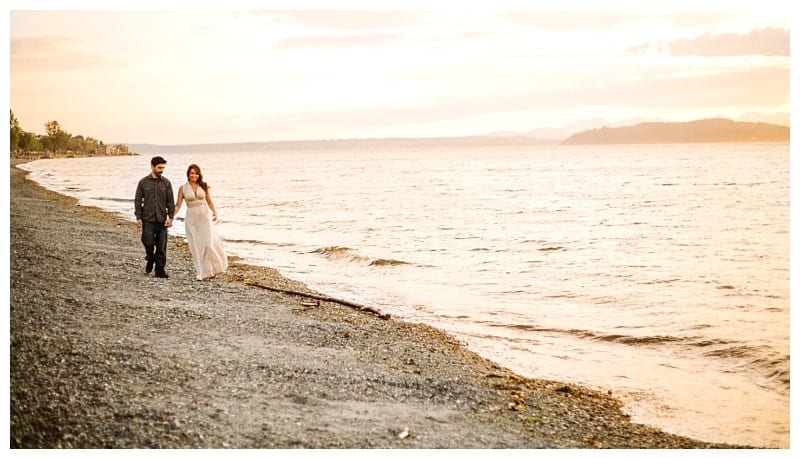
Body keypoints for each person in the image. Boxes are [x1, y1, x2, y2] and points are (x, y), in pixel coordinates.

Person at [174, 163, 228, 280]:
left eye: (196, 173)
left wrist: (215, 212)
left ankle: (215, 267)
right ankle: (201, 272)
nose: (194, 175)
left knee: (208, 244)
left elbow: (209, 200)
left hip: (205, 218)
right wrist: (171, 216)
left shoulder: (203, 186)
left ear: (199, 175)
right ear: (188, 174)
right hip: (192, 219)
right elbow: (178, 205)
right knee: (196, 245)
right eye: (192, 173)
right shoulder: (182, 188)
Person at [134, 156, 174, 278]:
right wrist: (139, 217)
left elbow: (170, 202)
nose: (161, 170)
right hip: (148, 219)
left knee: (161, 246)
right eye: (159, 167)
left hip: (162, 220)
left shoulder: (166, 183)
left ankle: (160, 270)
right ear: (152, 167)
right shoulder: (143, 182)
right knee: (148, 242)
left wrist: (170, 217)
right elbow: (138, 201)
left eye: (163, 168)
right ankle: (150, 258)